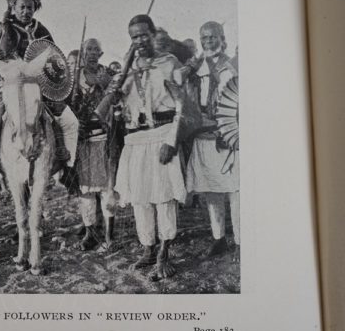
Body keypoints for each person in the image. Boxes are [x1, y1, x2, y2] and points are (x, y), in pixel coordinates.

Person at [0, 0, 79, 196]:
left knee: (70, 121)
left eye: (30, 7)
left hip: (38, 85)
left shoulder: (41, 30)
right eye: (21, 7)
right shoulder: (0, 30)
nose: (26, 11)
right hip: (9, 86)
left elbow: (54, 59)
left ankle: (68, 167)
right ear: (13, 8)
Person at [113, 15, 187, 279]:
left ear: (153, 34)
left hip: (162, 135)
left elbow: (182, 106)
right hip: (135, 140)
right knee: (141, 197)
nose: (140, 40)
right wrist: (123, 72)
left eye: (144, 34)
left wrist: (172, 140)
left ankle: (164, 253)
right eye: (134, 36)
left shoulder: (170, 64)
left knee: (163, 195)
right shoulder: (128, 68)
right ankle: (147, 248)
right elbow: (116, 102)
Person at [185, 21, 240, 261]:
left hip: (226, 135)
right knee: (211, 191)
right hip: (202, 136)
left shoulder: (232, 66)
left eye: (212, 37)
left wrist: (231, 131)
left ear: (222, 38)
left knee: (234, 192)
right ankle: (219, 239)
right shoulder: (197, 69)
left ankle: (240, 242)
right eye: (204, 38)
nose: (208, 42)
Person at [69, 39, 116, 251]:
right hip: (82, 139)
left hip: (104, 137)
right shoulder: (73, 78)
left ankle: (109, 234)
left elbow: (117, 101)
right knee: (85, 189)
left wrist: (107, 84)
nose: (93, 53)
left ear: (102, 52)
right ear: (83, 52)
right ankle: (90, 232)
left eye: (97, 49)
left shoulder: (107, 75)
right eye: (89, 49)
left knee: (107, 188)